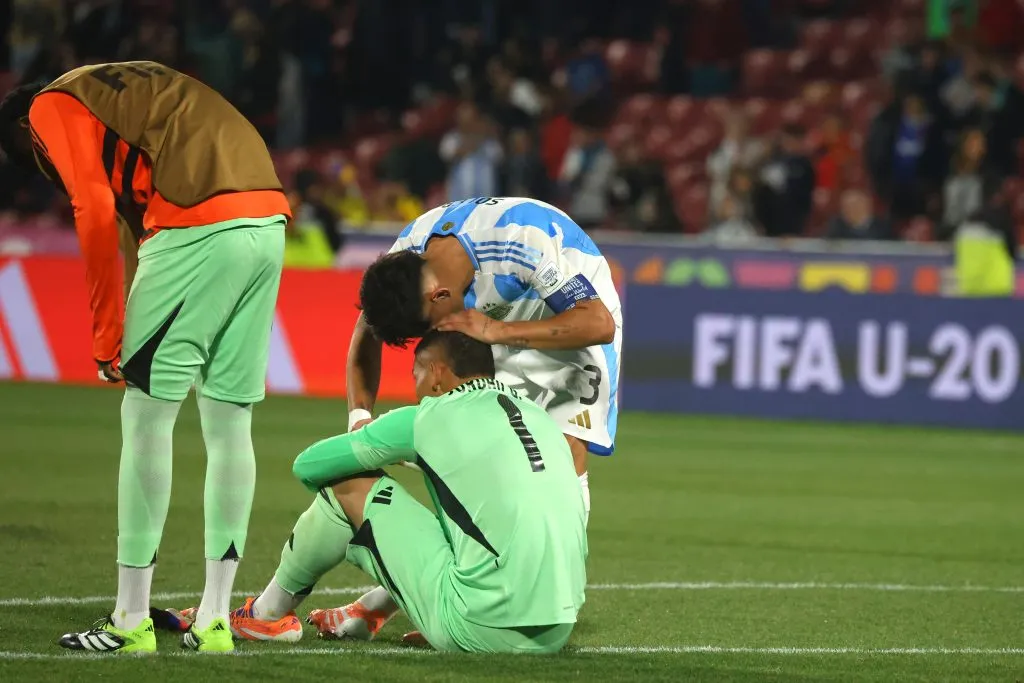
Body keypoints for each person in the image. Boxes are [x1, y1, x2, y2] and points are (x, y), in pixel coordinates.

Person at [217, 196, 620, 642]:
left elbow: (598, 322)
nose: (431, 341)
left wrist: (497, 332)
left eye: (430, 327)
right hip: (489, 325)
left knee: (559, 459)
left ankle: (541, 604)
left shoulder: (525, 243)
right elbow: (365, 338)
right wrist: (359, 419)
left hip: (567, 321)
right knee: (472, 468)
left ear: (440, 296)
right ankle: (417, 601)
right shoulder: (408, 254)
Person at [0, 61, 290, 654]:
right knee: (231, 419)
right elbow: (137, 225)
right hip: (266, 217)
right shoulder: (122, 97)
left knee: (146, 416)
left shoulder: (45, 109)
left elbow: (94, 207)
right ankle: (213, 621)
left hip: (199, 219)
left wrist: (107, 334)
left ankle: (130, 621)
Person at [183, 331, 588, 651]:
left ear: (438, 373)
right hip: (556, 630)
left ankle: (265, 614)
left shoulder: (429, 416)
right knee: (461, 515)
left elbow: (308, 465)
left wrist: (375, 447)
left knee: (348, 482)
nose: (415, 386)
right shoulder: (539, 417)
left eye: (416, 374)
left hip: (480, 625)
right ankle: (369, 612)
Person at [826, 189, 895, 241]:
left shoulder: (882, 227)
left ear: (867, 206)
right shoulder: (837, 226)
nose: (852, 210)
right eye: (847, 207)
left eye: (856, 205)